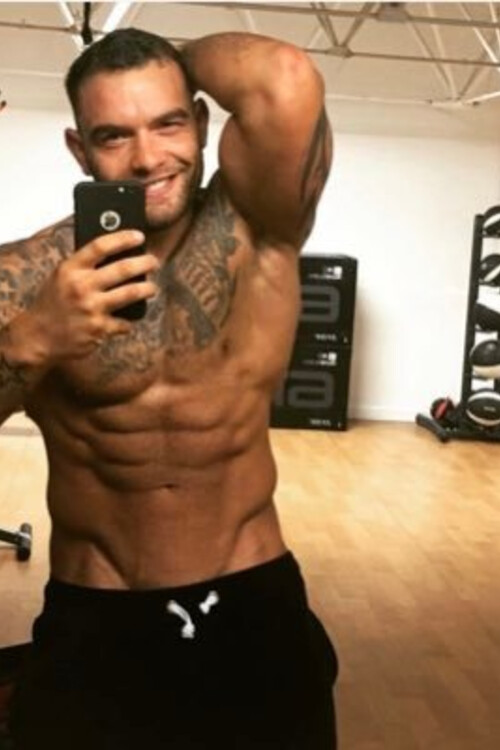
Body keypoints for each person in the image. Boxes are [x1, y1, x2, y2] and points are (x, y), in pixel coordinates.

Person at [0, 27, 337, 749]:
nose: (148, 157)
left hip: (252, 611)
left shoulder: (261, 227)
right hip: (98, 621)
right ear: (79, 149)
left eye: (168, 122)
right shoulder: (26, 280)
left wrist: (168, 56)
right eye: (114, 134)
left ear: (203, 123)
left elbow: (285, 75)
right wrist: (34, 339)